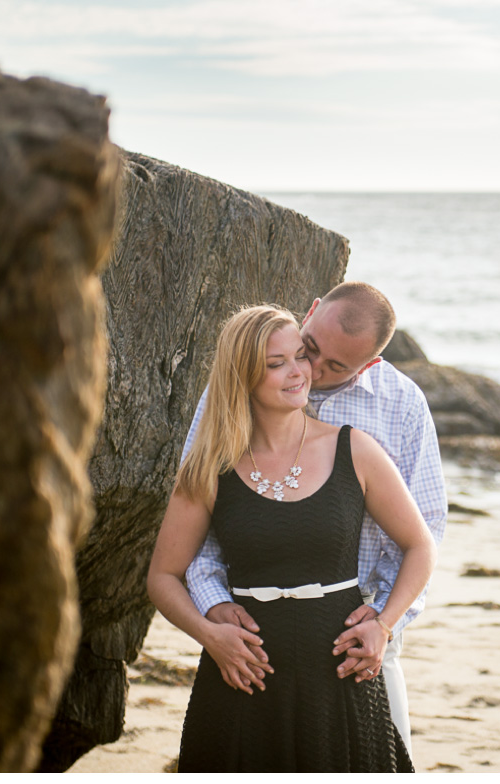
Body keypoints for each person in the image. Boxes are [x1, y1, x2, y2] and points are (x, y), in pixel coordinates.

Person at [147, 304, 436, 772]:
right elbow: (163, 575)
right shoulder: (210, 466)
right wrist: (209, 634)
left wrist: (383, 624)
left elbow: (421, 544)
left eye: (300, 356)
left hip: (339, 673)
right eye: (276, 363)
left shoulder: (356, 448)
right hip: (243, 672)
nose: (301, 371)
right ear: (243, 377)